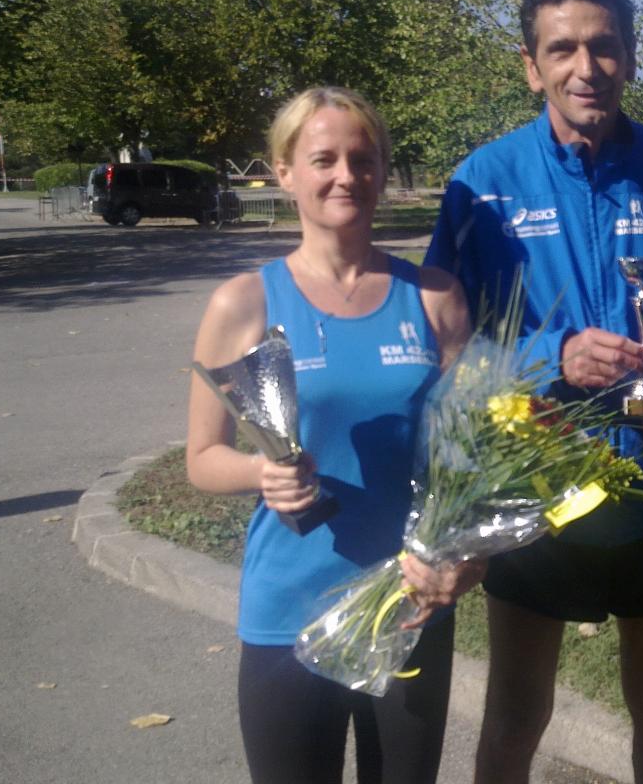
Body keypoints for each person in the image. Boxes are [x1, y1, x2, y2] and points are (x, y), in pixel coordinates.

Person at [424, 0, 643, 784]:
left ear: (630, 58)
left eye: (604, 46)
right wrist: (550, 359)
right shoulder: (483, 182)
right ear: (532, 66)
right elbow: (443, 344)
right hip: (533, 489)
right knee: (518, 712)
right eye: (561, 48)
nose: (585, 66)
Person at [185, 87, 483, 784]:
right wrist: (262, 474)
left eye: (363, 158)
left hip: (410, 606)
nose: (345, 175)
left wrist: (470, 560)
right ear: (284, 171)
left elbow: (467, 460)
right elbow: (202, 457)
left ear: (382, 168)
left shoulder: (435, 297)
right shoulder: (245, 302)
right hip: (289, 612)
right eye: (323, 159)